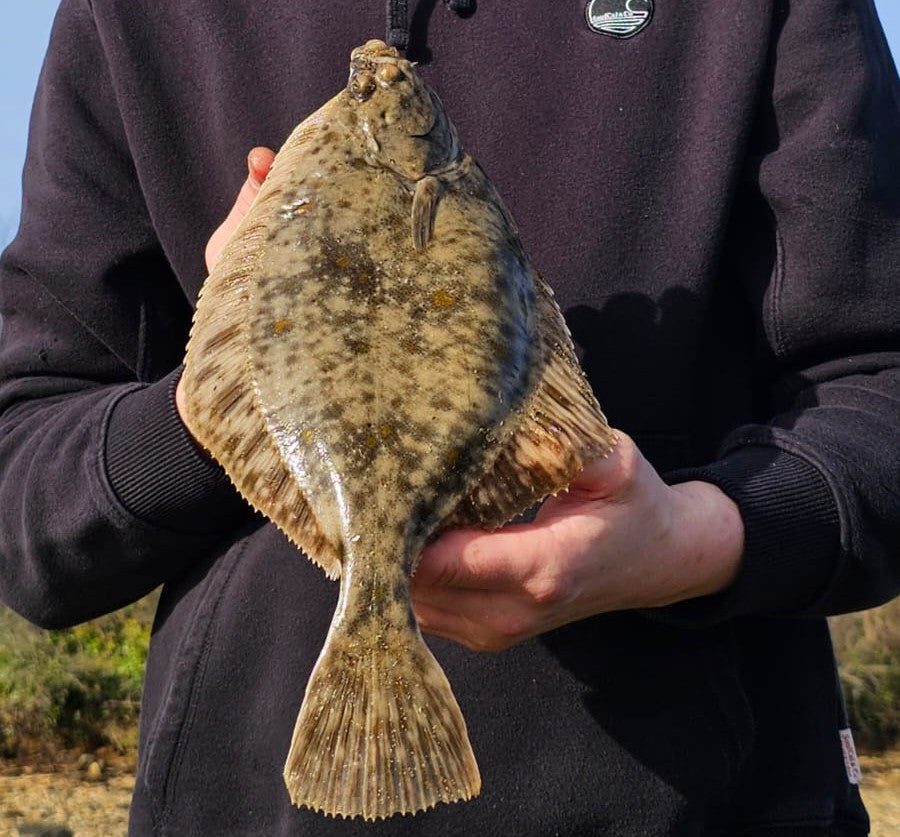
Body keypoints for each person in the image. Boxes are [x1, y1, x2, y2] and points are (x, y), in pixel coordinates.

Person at [0, 0, 897, 834]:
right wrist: (225, 384)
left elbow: (876, 386)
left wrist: (697, 541)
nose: (374, 78)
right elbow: (25, 491)